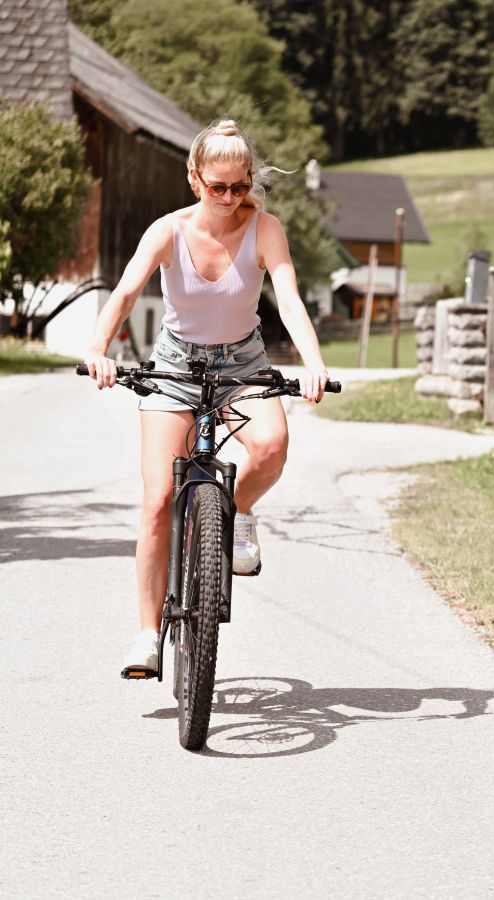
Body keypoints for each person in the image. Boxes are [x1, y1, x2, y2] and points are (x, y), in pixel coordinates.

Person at [83, 119, 331, 678]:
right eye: (217, 187)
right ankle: (148, 634)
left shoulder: (265, 229)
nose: (228, 198)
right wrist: (99, 349)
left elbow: (289, 300)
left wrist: (313, 364)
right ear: (194, 178)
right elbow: (124, 293)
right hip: (175, 367)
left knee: (271, 445)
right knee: (156, 502)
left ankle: (236, 512)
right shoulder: (167, 231)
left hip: (242, 362)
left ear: (249, 183)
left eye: (239, 187)